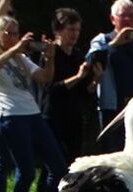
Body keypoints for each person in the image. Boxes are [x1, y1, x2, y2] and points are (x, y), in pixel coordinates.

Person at [0, 16, 67, 192]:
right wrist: (14, 50)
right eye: (9, 33)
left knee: (58, 166)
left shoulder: (20, 58)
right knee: (26, 171)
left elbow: (44, 78)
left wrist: (51, 57)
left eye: (16, 33)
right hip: (8, 115)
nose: (13, 37)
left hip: (32, 113)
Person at [87, 0, 133, 152]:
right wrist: (115, 44)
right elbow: (92, 60)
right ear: (112, 19)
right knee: (113, 153)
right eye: (123, 15)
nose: (128, 19)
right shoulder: (102, 40)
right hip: (112, 107)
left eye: (132, 16)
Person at [40, 8, 96, 162]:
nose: (75, 34)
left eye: (78, 30)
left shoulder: (78, 55)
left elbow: (85, 92)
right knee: (53, 165)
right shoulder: (50, 54)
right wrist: (78, 77)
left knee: (73, 162)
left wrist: (96, 80)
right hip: (53, 117)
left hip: (74, 117)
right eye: (71, 29)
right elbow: (50, 89)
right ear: (58, 30)